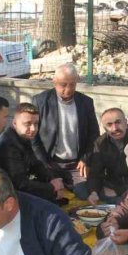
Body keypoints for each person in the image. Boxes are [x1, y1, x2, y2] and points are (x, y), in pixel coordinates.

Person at [31, 63, 99, 199]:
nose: (68, 89)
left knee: (84, 196)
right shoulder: (40, 101)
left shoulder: (86, 102)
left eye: (72, 84)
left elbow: (94, 134)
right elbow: (33, 138)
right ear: (54, 82)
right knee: (52, 196)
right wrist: (44, 164)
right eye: (63, 84)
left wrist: (85, 159)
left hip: (76, 165)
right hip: (50, 163)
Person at [0, 102, 66, 203]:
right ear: (14, 123)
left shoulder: (23, 137)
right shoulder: (8, 145)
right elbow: (19, 183)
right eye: (27, 124)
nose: (33, 129)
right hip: (6, 197)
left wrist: (52, 179)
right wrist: (51, 187)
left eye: (36, 124)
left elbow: (35, 164)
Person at [86, 107, 128, 205]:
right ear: (104, 128)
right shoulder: (100, 143)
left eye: (118, 122)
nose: (115, 128)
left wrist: (118, 190)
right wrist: (94, 192)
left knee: (119, 200)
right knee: (80, 190)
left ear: (126, 122)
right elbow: (95, 172)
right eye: (109, 125)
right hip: (111, 183)